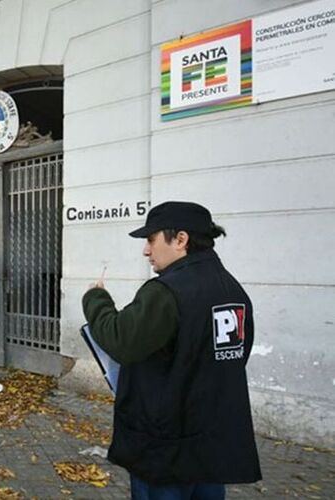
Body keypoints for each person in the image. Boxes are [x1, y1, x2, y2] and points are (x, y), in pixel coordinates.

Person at [82, 201, 261, 499]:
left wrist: (96, 299)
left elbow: (121, 340)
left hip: (166, 448)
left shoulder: (166, 291)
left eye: (151, 240)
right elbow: (235, 356)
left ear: (181, 239)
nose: (146, 250)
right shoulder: (232, 289)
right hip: (209, 445)